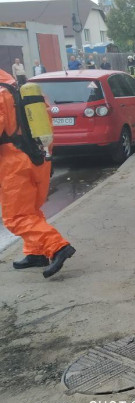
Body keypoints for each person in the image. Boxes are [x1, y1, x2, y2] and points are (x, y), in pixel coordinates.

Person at [0, 68, 75, 278]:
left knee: (16, 217)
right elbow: (47, 126)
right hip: (37, 157)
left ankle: (58, 247)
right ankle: (35, 253)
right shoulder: (22, 89)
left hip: (14, 163)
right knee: (30, 210)